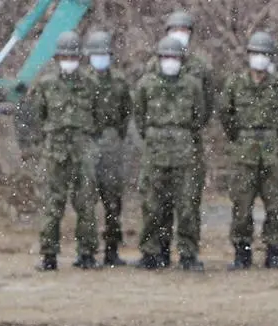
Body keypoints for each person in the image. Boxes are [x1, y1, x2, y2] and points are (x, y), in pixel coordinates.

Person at [219, 31, 278, 270]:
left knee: (275, 205)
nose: (259, 59)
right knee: (241, 205)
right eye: (255, 54)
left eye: (264, 54)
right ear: (248, 56)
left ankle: (274, 252)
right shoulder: (235, 84)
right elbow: (226, 115)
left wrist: (277, 139)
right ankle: (242, 253)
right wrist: (241, 136)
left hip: (272, 152)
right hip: (244, 151)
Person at [134, 35, 205, 271]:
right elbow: (139, 117)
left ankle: (188, 253)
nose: (170, 62)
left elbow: (199, 116)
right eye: (166, 57)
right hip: (155, 152)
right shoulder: (146, 84)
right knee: (153, 205)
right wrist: (156, 135)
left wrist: (181, 134)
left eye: (174, 57)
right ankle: (152, 252)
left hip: (184, 153)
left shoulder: (192, 85)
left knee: (187, 206)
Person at [28, 30, 98, 272]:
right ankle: (49, 255)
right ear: (57, 57)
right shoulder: (46, 84)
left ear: (80, 57)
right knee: (52, 204)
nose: (69, 60)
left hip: (82, 149)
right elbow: (39, 116)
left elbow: (99, 116)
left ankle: (87, 253)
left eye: (73, 56)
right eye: (65, 56)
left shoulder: (90, 83)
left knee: (86, 203)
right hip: (55, 150)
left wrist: (85, 136)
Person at [162, 9, 215, 269]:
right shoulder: (154, 67)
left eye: (184, 31)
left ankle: (188, 252)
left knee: (188, 202)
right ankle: (157, 252)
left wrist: (189, 128)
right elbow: (140, 109)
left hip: (189, 143)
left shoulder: (200, 68)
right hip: (160, 147)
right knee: (158, 201)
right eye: (175, 30)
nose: (180, 36)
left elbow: (206, 107)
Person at [83, 30, 132, 267]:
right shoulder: (81, 82)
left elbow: (127, 112)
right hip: (88, 142)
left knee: (113, 200)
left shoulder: (120, 82)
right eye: (96, 54)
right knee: (87, 199)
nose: (100, 58)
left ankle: (112, 249)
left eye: (104, 54)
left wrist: (115, 136)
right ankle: (87, 251)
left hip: (112, 143)